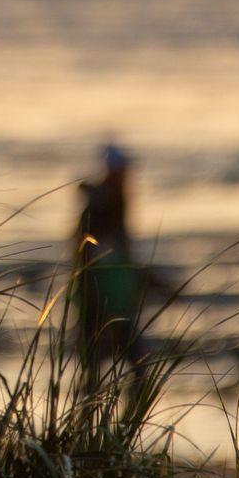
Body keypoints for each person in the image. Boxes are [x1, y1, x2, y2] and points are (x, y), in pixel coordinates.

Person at [70, 142, 146, 374]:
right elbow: (93, 256)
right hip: (102, 297)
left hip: (114, 295)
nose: (126, 177)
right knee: (126, 362)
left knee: (129, 363)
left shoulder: (114, 203)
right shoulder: (102, 209)